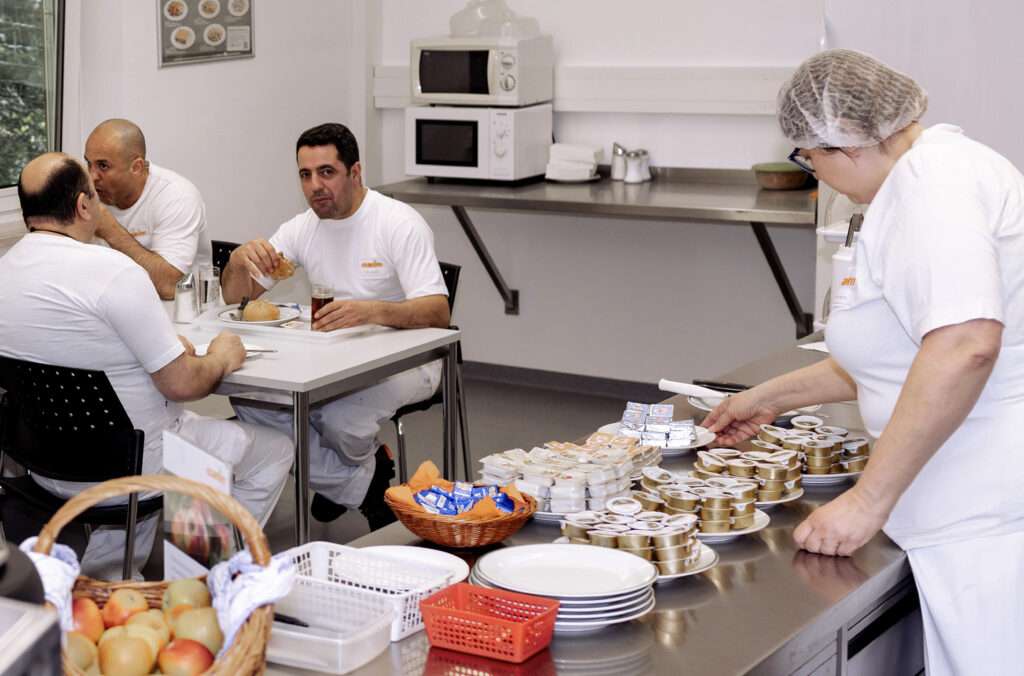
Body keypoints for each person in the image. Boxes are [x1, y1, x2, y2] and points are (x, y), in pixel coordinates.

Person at [704, 49, 1024, 675]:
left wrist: (867, 499)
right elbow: (901, 354)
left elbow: (965, 346)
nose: (816, 175)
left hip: (980, 512)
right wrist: (768, 398)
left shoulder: (932, 191)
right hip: (965, 497)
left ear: (842, 144)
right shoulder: (936, 170)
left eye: (810, 157)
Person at [0, 153, 292, 579]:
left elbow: (74, 345)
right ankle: (206, 579)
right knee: (271, 450)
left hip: (43, 465)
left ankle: (107, 579)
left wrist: (160, 345)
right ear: (84, 207)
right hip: (130, 469)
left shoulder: (6, 272)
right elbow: (182, 384)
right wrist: (222, 356)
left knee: (149, 429)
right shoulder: (113, 272)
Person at [221, 123, 450, 531]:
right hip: (332, 357)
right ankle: (362, 484)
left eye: (327, 172)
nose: (315, 186)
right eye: (305, 175)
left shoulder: (398, 222)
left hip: (407, 359)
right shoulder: (302, 227)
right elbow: (236, 297)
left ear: (355, 172)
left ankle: (340, 481)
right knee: (255, 403)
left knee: (339, 417)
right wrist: (239, 262)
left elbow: (438, 311)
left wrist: (372, 311)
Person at [84, 119, 211, 299]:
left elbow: (170, 286)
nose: (92, 177)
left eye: (103, 166)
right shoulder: (87, 193)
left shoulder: (177, 195)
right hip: (118, 309)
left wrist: (110, 230)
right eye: (89, 163)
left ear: (136, 167)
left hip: (181, 316)